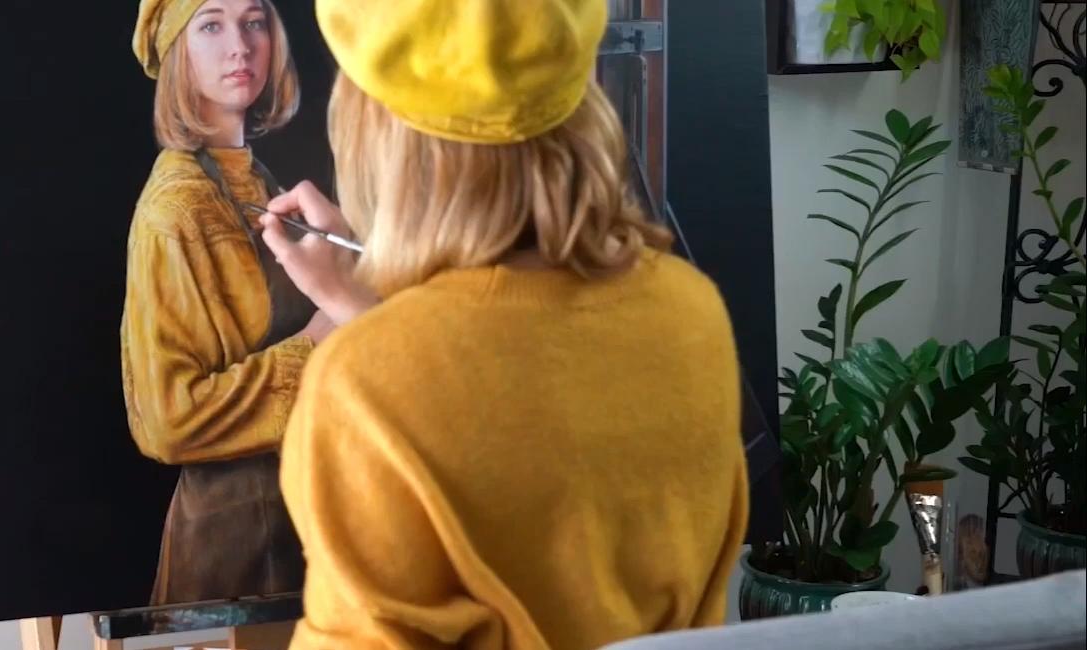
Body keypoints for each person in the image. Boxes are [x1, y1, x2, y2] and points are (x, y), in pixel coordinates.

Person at [261, 1, 749, 647]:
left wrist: (375, 341)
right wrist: (370, 314)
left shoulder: (361, 385)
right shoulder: (691, 313)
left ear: (375, 132)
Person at [121, 0, 372, 606]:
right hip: (233, 550)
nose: (241, 45)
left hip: (303, 527)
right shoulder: (174, 210)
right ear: (176, 50)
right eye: (211, 24)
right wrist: (314, 345)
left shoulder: (260, 183)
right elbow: (167, 419)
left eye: (253, 21)